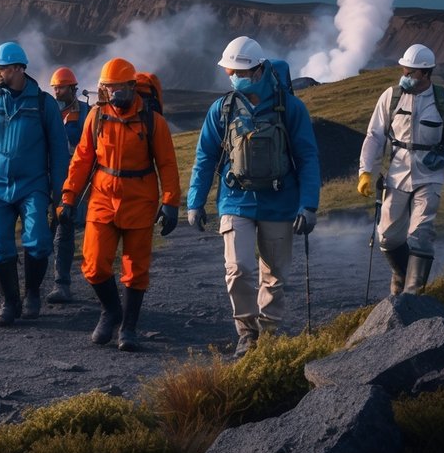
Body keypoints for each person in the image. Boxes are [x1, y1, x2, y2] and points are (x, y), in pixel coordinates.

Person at [186, 36, 321, 358]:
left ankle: (269, 333)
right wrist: (195, 201)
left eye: (240, 71)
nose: (234, 76)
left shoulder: (290, 108)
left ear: (259, 70)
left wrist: (309, 204)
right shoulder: (222, 108)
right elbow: (205, 157)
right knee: (239, 269)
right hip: (236, 201)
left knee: (274, 276)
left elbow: (307, 157)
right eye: (231, 71)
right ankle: (247, 333)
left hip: (281, 202)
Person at [59, 58, 181, 349]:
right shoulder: (96, 117)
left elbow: (167, 164)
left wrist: (171, 203)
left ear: (131, 87)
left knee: (136, 269)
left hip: (140, 199)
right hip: (102, 197)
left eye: (117, 88)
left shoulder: (154, 122)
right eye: (107, 88)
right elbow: (81, 160)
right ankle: (111, 310)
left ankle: (129, 327)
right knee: (93, 264)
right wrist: (68, 196)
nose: (113, 93)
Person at [0, 42, 69, 326]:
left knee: (38, 240)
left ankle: (32, 294)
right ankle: (10, 301)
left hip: (33, 186)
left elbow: (58, 152)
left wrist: (60, 193)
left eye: (2, 68)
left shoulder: (44, 104)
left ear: (19, 69)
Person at [357, 43, 444, 296]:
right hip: (397, 175)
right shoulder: (391, 97)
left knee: (421, 233)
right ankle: (401, 277)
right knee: (387, 236)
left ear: (426, 74)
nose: (405, 76)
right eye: (404, 70)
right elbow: (375, 136)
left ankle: (413, 294)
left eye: (410, 73)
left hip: (430, 175)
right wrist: (365, 171)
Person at [46, 66, 92, 303]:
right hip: (51, 179)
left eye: (61, 87)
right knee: (52, 230)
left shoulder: (86, 113)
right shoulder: (48, 113)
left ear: (72, 88)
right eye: (54, 87)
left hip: (77, 181)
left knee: (65, 228)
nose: (57, 92)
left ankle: (61, 284)